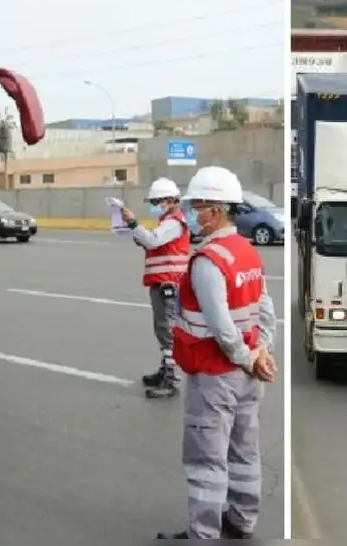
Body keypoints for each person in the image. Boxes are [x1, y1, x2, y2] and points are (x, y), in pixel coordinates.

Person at [157, 166, 279, 540]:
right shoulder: (246, 251)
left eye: (197, 206)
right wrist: (261, 352)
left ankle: (203, 535)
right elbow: (265, 310)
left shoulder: (209, 260)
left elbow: (221, 326)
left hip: (215, 374)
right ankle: (241, 520)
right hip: (247, 375)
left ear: (216, 209)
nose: (192, 213)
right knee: (244, 452)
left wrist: (246, 355)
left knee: (206, 461)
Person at [121, 177, 191, 399]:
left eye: (156, 201)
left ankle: (171, 378)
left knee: (168, 330)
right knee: (162, 329)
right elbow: (152, 243)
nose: (154, 206)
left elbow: (152, 241)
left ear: (170, 201)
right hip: (161, 282)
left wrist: (134, 224)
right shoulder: (167, 221)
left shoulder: (174, 222)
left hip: (169, 283)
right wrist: (137, 233)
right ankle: (165, 370)